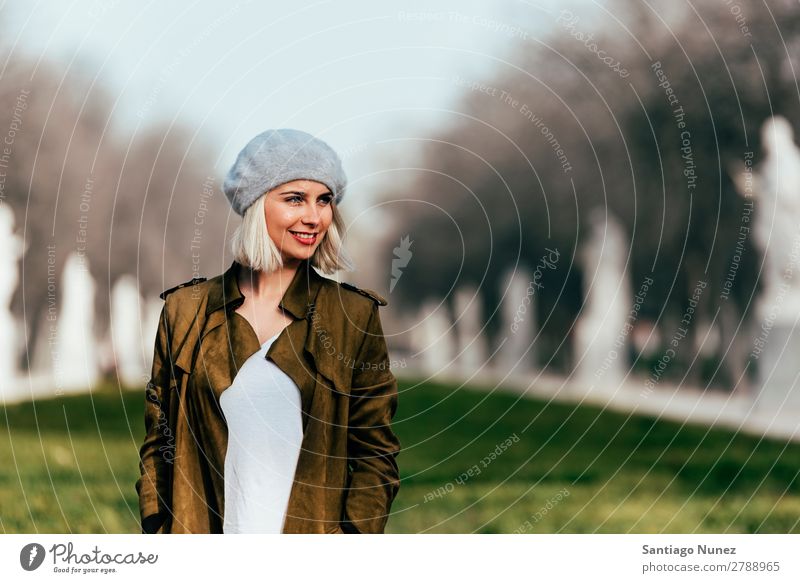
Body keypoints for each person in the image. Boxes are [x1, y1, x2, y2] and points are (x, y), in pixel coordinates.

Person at [135, 128, 401, 534]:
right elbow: (160, 441)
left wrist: (353, 541)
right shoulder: (185, 311)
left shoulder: (353, 316)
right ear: (257, 206)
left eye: (324, 200)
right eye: (295, 199)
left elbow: (374, 454)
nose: (314, 217)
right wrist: (158, 527)